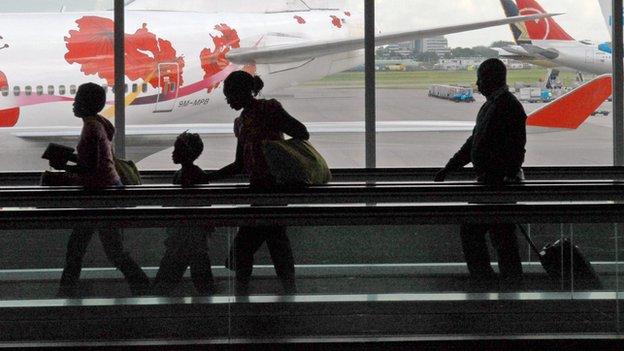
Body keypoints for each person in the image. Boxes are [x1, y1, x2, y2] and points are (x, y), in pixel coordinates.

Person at [209, 70, 310, 295]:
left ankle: (243, 294)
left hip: (269, 189)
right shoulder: (247, 119)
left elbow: (302, 132)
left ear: (243, 92)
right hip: (264, 190)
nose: (228, 101)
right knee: (275, 241)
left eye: (229, 96)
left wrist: (276, 155)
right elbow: (239, 165)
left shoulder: (263, 112)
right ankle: (286, 292)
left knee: (246, 247)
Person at [434, 58, 526, 290]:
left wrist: (451, 168)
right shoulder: (499, 105)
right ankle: (508, 286)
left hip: (495, 186)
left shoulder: (503, 106)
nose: (477, 83)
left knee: (483, 234)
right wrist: (450, 167)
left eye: (481, 78)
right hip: (493, 184)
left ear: (492, 79)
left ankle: (489, 282)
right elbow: (476, 142)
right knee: (500, 236)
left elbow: (508, 148)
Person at [52, 82, 149, 297]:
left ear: (86, 104)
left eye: (77, 99)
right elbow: (98, 161)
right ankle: (142, 287)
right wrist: (70, 159)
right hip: (106, 194)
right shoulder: (100, 124)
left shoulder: (90, 128)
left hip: (97, 198)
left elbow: (90, 168)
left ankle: (64, 296)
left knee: (78, 250)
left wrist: (63, 166)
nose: (74, 104)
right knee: (110, 250)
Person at [152, 131, 215, 295]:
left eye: (176, 149)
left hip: (181, 238)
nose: (173, 153)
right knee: (202, 281)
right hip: (195, 238)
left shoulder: (179, 176)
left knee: (165, 281)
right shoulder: (197, 174)